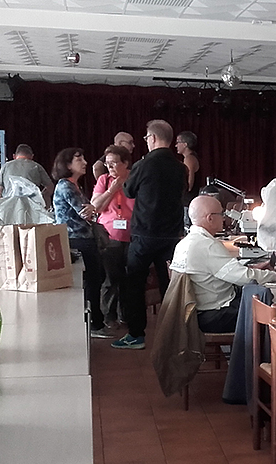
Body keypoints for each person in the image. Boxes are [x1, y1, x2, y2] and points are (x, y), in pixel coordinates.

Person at [112, 120, 188, 350]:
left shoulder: (144, 165)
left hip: (145, 234)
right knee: (170, 286)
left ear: (153, 138)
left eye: (146, 138)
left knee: (135, 284)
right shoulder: (180, 168)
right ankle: (173, 336)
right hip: (171, 236)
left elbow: (128, 191)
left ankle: (136, 335)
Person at [170, 195, 276, 333]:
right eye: (221, 214)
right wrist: (275, 275)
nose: (224, 218)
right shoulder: (207, 246)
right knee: (271, 306)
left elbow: (228, 272)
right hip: (215, 316)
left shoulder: (184, 243)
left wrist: (252, 268)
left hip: (198, 313)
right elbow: (245, 278)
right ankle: (274, 343)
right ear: (210, 218)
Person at [51, 148, 111, 338]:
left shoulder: (74, 185)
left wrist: (93, 208)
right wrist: (94, 208)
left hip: (83, 239)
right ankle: (94, 324)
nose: (85, 162)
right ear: (67, 164)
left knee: (96, 279)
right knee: (92, 281)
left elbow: (91, 211)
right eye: (79, 159)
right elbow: (85, 212)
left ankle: (95, 321)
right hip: (77, 241)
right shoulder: (66, 186)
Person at [90, 145, 134, 328]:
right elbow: (95, 207)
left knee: (130, 278)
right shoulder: (104, 180)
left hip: (132, 235)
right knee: (111, 278)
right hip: (109, 236)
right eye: (107, 164)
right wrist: (111, 190)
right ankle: (109, 315)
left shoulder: (134, 179)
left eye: (114, 163)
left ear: (125, 163)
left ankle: (127, 315)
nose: (110, 167)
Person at [176, 130, 200, 197]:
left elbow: (189, 185)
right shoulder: (191, 157)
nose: (176, 145)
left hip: (189, 199)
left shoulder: (189, 159)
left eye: (178, 142)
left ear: (185, 144)